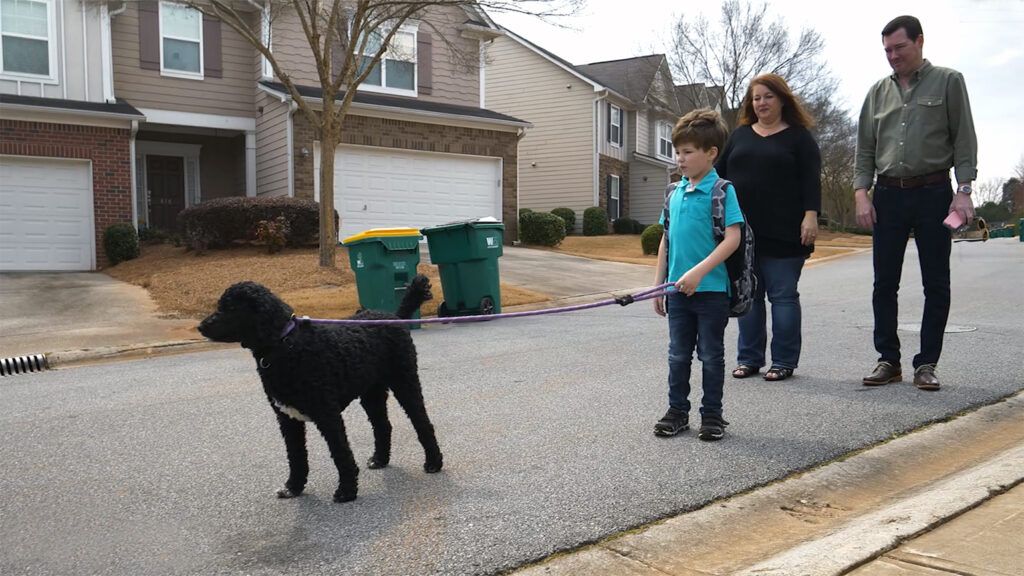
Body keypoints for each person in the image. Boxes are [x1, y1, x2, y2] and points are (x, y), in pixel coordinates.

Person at [853, 15, 977, 391]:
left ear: (919, 42)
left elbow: (964, 138)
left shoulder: (949, 81)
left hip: (935, 193)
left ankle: (926, 363)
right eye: (887, 50)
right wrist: (862, 193)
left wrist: (964, 189)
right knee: (883, 283)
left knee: (936, 282)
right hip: (888, 195)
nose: (892, 56)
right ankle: (888, 359)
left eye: (899, 48)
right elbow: (865, 149)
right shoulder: (877, 92)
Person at [715, 73, 822, 382]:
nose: (760, 102)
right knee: (749, 295)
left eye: (767, 96)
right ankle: (749, 358)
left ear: (782, 99)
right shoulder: (740, 135)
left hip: (787, 232)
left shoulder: (800, 137)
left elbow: (810, 180)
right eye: (756, 97)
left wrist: (810, 215)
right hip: (743, 233)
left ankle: (784, 361)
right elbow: (718, 179)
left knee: (783, 295)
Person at [653, 108, 744, 441]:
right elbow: (666, 238)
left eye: (688, 152)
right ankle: (677, 412)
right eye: (678, 151)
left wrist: (698, 272)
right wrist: (659, 285)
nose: (680, 158)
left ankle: (712, 416)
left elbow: (733, 238)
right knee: (677, 355)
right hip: (677, 293)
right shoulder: (673, 193)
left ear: (711, 153)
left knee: (710, 356)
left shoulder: (721, 191)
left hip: (711, 292)